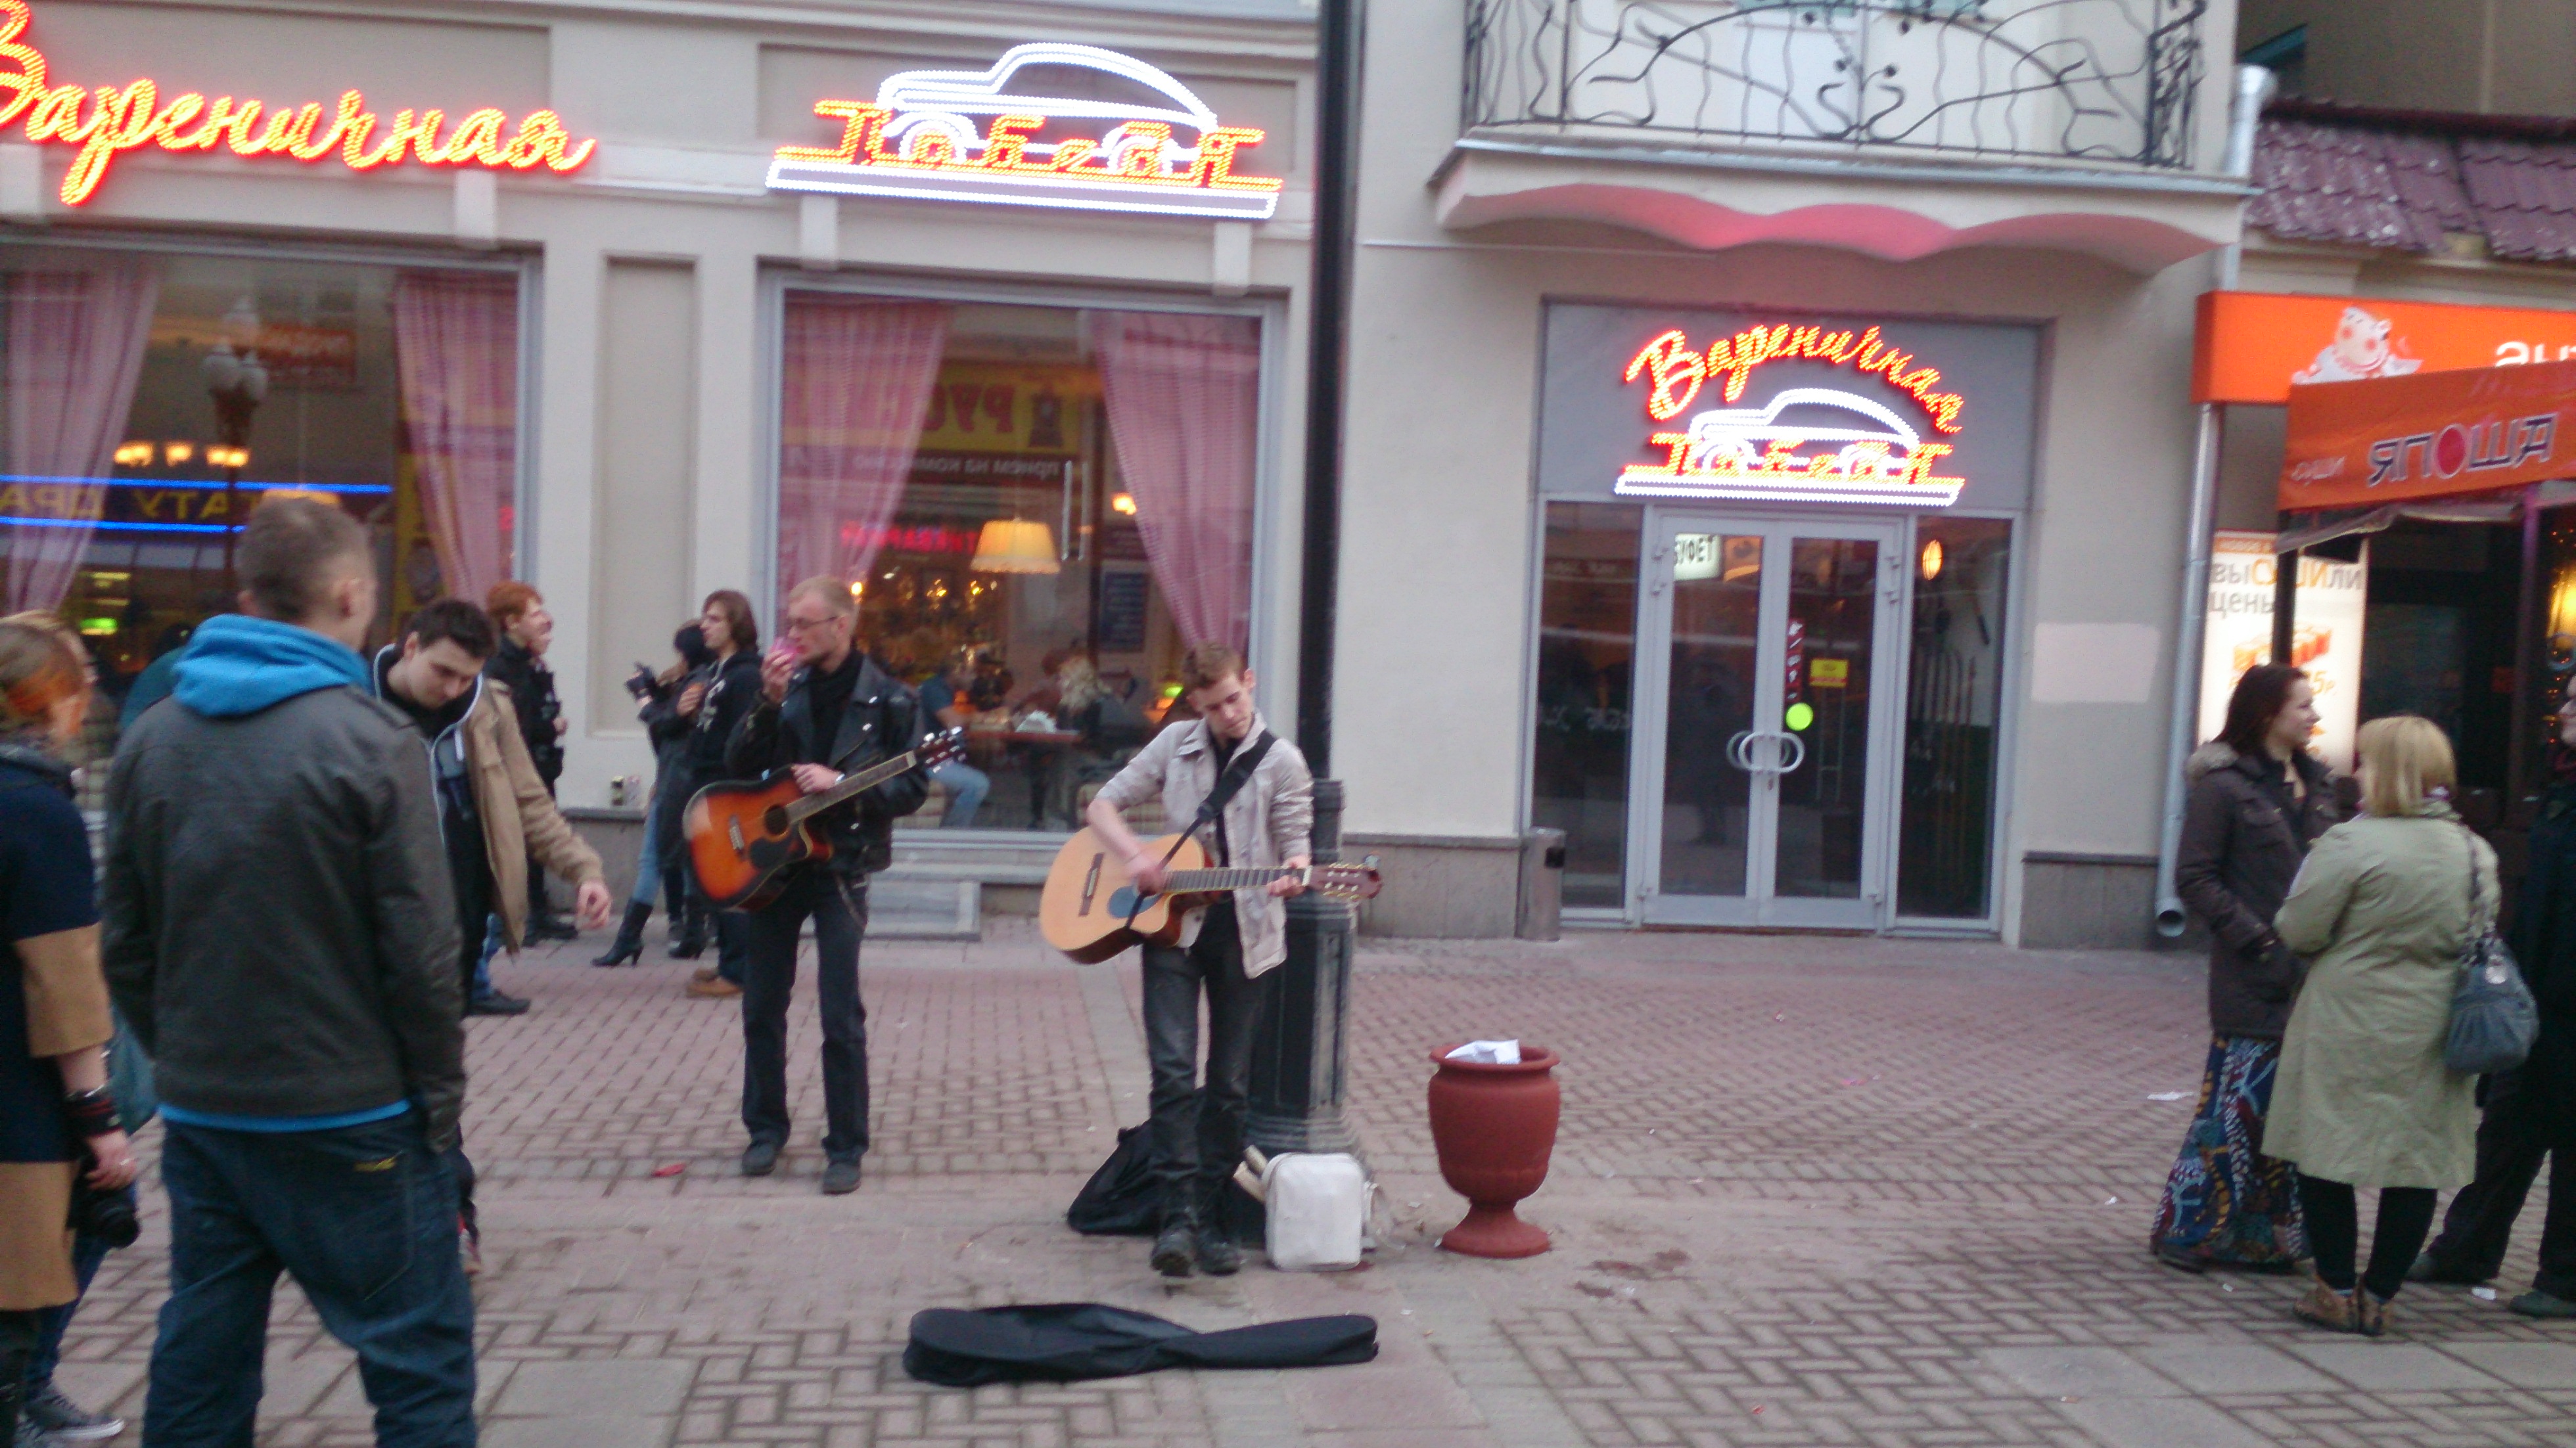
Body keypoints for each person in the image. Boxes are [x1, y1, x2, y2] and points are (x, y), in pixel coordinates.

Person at [103, 498, 475, 1445]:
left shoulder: (153, 737)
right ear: (351, 594)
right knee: (418, 1367)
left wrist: (184, 1055)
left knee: (202, 1357)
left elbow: (126, 943)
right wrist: (437, 1104)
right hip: (353, 1110)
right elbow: (423, 958)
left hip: (210, 1111)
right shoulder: (372, 740)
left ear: (248, 599)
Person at [1084, 642, 1312, 1278]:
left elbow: (1296, 843)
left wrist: (1296, 871)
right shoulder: (1175, 744)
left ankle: (1211, 1215)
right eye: (1212, 707)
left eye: (1233, 699)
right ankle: (1177, 1217)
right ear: (1195, 704)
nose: (1228, 714)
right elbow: (1101, 805)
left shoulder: (1283, 762)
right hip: (1174, 929)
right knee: (1172, 1073)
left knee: (1229, 1084)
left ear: (1249, 680)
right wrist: (1135, 856)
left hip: (1246, 933)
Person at [2268, 715, 2489, 1338]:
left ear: (2387, 771)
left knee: (2325, 1151)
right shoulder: (2473, 851)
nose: (2358, 771)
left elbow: (2299, 928)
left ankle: (2335, 1290)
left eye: (2366, 761)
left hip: (2346, 1019)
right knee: (2413, 1161)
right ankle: (2382, 1297)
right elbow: (2480, 932)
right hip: (2434, 1023)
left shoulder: (2350, 844)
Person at [723, 576, 929, 1193]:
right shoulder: (786, 688)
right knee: (762, 1004)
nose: (791, 636)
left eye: (803, 625)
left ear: (841, 625)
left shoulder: (892, 700)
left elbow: (912, 788)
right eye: (789, 624)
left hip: (842, 863)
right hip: (775, 863)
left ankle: (846, 1146)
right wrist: (765, 703)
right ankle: (765, 1130)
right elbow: (736, 764)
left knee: (840, 1012)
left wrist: (840, 785)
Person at [0, 620, 139, 1446]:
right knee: (19, 1283)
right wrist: (98, 1116)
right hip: (20, 1099)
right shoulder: (37, 810)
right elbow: (63, 984)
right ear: (48, 701)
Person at [2150, 664, 2335, 1274]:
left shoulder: (2321, 785)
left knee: (2289, 1116)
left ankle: (2261, 1237)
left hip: (2313, 979)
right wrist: (2256, 939)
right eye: (2302, 706)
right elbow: (2195, 877)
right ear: (2266, 713)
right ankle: (2187, 1230)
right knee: (2236, 1111)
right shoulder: (2224, 788)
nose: (2313, 716)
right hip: (2253, 977)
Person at [2410, 692, 2576, 1319]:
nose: (2564, 711)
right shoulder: (2559, 790)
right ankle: (2465, 1250)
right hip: (2538, 993)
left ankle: (2565, 1279)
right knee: (2507, 1127)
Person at [371, 597, 610, 1014]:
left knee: (443, 1047)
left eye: (467, 678)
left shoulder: (489, 708)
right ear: (411, 648)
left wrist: (585, 871)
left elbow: (529, 802)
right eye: (443, 671)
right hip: (380, 927)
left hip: (461, 923)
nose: (452, 690)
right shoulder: (354, 703)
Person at [595, 621, 715, 966]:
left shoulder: (697, 683)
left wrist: (644, 698)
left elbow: (666, 725)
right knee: (691, 859)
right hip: (687, 780)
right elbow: (671, 722)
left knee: (652, 859)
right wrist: (654, 690)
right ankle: (694, 934)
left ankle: (629, 937)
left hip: (677, 783)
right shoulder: (705, 680)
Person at [680, 591, 764, 998]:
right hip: (707, 784)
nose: (705, 626)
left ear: (736, 625)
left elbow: (743, 737)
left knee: (728, 879)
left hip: (727, 790)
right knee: (712, 878)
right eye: (704, 618)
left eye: (715, 619)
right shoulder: (719, 671)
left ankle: (739, 971)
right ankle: (731, 958)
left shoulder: (746, 675)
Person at [484, 581, 574, 943]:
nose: (545, 620)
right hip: (517, 769)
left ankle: (538, 910)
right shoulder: (501, 666)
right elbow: (514, 726)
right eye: (535, 614)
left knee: (536, 842)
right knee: (518, 842)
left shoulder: (529, 663)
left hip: (540, 765)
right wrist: (550, 727)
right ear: (511, 622)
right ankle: (519, 918)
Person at [916, 648, 989, 828]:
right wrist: (977, 717)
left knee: (976, 766)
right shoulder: (934, 689)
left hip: (933, 757)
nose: (974, 678)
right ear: (957, 671)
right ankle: (953, 834)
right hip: (925, 762)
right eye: (971, 672)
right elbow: (953, 722)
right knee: (977, 784)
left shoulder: (939, 688)